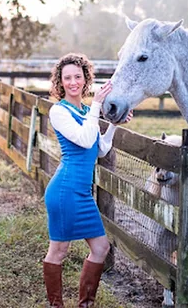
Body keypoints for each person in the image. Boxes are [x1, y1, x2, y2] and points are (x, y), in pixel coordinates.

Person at [42, 53, 132, 308]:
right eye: (67, 77)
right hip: (65, 191)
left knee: (101, 248)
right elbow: (83, 139)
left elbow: (99, 148)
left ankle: (85, 304)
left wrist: (114, 125)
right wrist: (96, 107)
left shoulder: (84, 111)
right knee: (58, 252)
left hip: (81, 193)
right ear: (60, 81)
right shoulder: (59, 111)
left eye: (77, 77)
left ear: (85, 79)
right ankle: (56, 305)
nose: (73, 82)